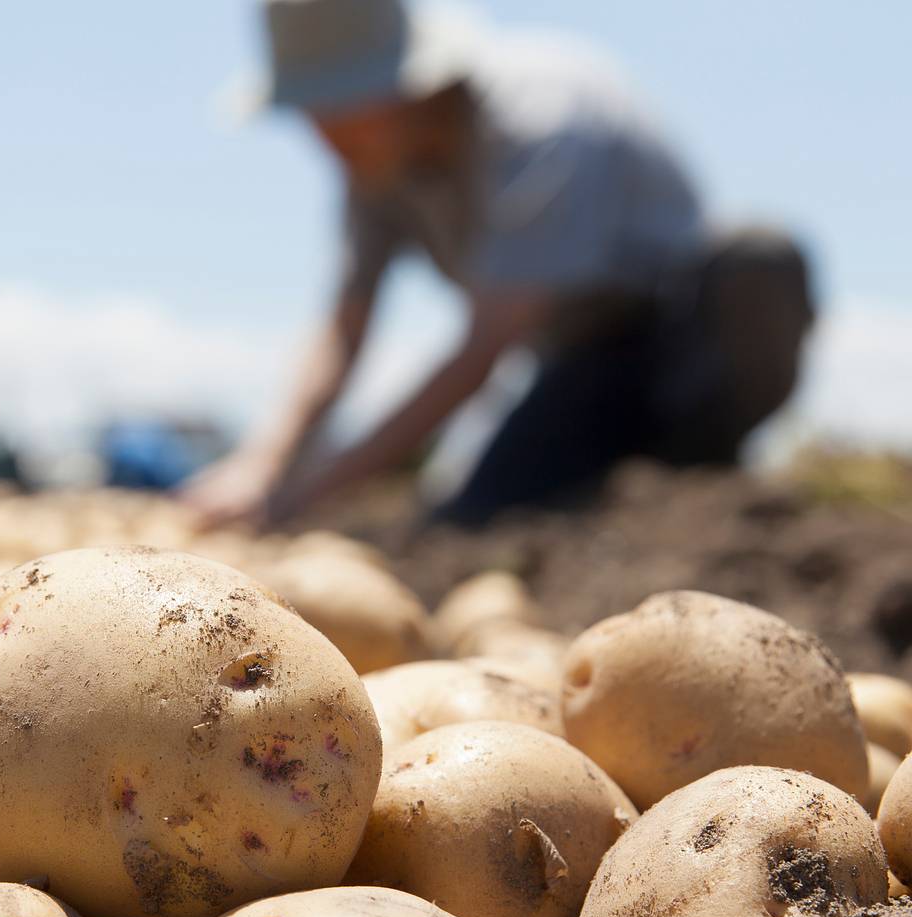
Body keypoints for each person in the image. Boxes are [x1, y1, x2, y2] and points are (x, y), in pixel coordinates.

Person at [182, 0, 815, 528]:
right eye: (312, 116)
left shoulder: (541, 120)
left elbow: (483, 349)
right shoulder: (372, 172)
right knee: (476, 513)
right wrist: (262, 464)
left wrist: (312, 490)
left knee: (759, 263)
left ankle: (705, 473)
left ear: (402, 85)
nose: (323, 138)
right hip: (578, 361)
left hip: (679, 328)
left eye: (338, 112)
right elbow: (345, 327)